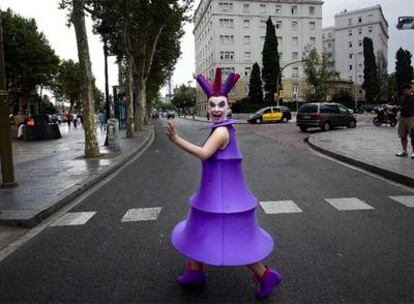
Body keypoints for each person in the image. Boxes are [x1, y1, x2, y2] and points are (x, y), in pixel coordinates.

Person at [166, 68, 281, 299]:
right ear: (207, 107)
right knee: (201, 228)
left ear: (228, 107)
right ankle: (196, 271)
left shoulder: (220, 132)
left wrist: (177, 139)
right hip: (214, 193)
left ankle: (265, 275)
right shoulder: (220, 128)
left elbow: (204, 154)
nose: (217, 109)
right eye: (212, 105)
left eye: (221, 105)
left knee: (233, 236)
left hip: (223, 196)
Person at [395, 82, 414, 158]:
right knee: (402, 135)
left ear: (410, 89)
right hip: (402, 118)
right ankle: (404, 151)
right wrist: (398, 108)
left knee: (413, 135)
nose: (405, 92)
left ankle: (413, 151)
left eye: (406, 90)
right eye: (403, 91)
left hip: (411, 118)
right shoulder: (402, 98)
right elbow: (401, 106)